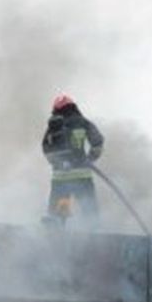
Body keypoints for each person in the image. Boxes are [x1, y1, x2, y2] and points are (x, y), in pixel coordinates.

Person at [41, 93, 104, 223]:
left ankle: (52, 239)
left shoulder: (53, 126)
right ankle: (94, 238)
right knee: (90, 213)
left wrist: (57, 163)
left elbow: (45, 147)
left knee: (55, 217)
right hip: (82, 176)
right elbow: (98, 141)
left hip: (60, 178)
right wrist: (90, 158)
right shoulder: (82, 122)